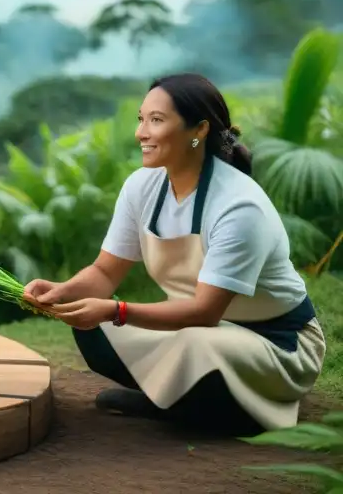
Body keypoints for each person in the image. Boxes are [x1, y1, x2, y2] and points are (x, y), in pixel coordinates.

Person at [25, 73, 324, 436]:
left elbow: (204, 311)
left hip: (277, 344)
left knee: (192, 344)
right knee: (91, 325)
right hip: (196, 328)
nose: (141, 133)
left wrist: (118, 310)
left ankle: (231, 412)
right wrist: (61, 292)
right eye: (141, 119)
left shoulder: (239, 205)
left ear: (198, 129)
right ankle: (176, 401)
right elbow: (104, 272)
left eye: (156, 120)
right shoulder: (142, 186)